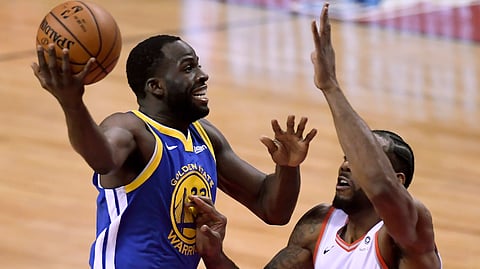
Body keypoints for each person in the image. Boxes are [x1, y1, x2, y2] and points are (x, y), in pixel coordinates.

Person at [31, 33, 317, 268]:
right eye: (188, 67)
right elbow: (102, 159)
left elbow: (272, 208)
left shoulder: (206, 136)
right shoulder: (132, 130)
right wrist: (73, 105)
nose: (203, 75)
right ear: (156, 87)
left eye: (199, 65)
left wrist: (288, 167)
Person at [192, 3, 443, 269]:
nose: (346, 164)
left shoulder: (408, 230)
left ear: (398, 180)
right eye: (347, 157)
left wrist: (330, 86)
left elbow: (381, 187)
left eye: (358, 161)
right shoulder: (318, 225)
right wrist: (215, 256)